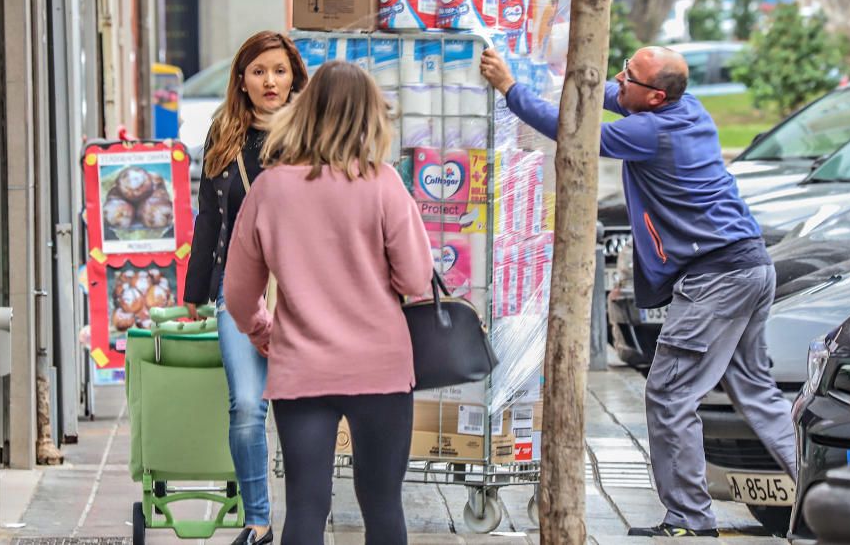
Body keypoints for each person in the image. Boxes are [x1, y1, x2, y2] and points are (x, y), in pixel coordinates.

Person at [481, 46, 797, 538]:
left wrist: (510, 89)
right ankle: (830, 495)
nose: (616, 79)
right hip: (749, 266)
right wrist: (550, 77)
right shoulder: (684, 107)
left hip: (716, 279)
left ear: (653, 97)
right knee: (757, 393)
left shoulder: (652, 131)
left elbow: (577, 133)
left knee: (670, 393)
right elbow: (599, 95)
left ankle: (690, 520)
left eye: (627, 75)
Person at [223, 61, 433, 545]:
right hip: (380, 369)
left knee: (305, 507)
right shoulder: (383, 184)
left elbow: (238, 292)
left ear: (305, 110)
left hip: (301, 369)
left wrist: (263, 333)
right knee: (382, 507)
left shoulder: (269, 189)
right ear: (369, 117)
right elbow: (416, 278)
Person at [184, 30, 308, 545]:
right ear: (242, 80)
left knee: (303, 411)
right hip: (236, 292)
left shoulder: (312, 132)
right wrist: (194, 293)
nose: (270, 81)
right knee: (246, 405)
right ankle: (258, 521)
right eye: (259, 71)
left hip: (304, 291)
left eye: (279, 70)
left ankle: (304, 517)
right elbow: (209, 219)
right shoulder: (225, 133)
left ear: (294, 76)